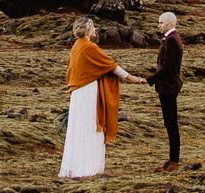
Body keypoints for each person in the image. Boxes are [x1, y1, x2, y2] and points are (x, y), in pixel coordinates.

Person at [59, 15, 144, 180]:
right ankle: (88, 168)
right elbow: (110, 65)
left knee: (80, 128)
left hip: (78, 93)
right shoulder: (89, 47)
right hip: (87, 92)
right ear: (87, 30)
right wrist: (131, 77)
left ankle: (78, 167)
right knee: (90, 125)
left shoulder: (76, 46)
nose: (95, 29)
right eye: (93, 27)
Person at [150, 11, 185, 171]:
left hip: (169, 87)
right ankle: (172, 160)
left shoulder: (171, 40)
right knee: (169, 123)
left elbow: (167, 68)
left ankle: (174, 161)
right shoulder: (171, 38)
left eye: (161, 23)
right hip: (167, 86)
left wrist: (149, 79)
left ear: (170, 24)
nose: (159, 26)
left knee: (171, 124)